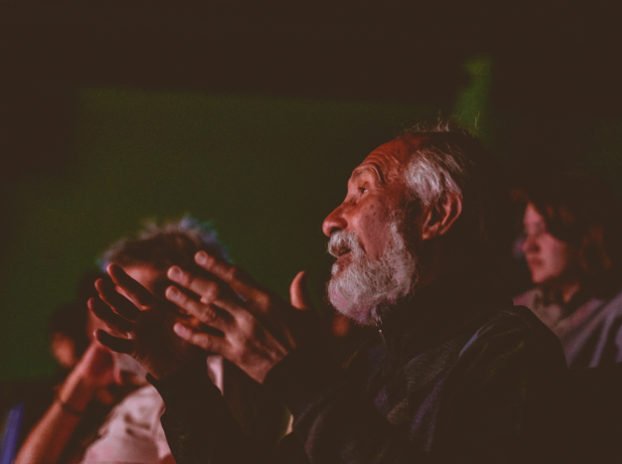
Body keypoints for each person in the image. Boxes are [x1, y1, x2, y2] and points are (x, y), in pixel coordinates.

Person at [93, 123, 568, 463]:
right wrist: (182, 381)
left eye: (362, 191)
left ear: (437, 215)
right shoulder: (374, 362)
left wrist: (298, 376)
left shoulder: (510, 351)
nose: (331, 220)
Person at [17, 218, 286, 463]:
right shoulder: (131, 400)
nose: (110, 325)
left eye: (125, 306)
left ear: (187, 309)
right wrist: (81, 382)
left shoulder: (203, 384)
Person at [514, 175, 622, 368]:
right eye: (526, 233)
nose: (528, 246)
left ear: (583, 233)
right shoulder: (521, 307)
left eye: (543, 230)